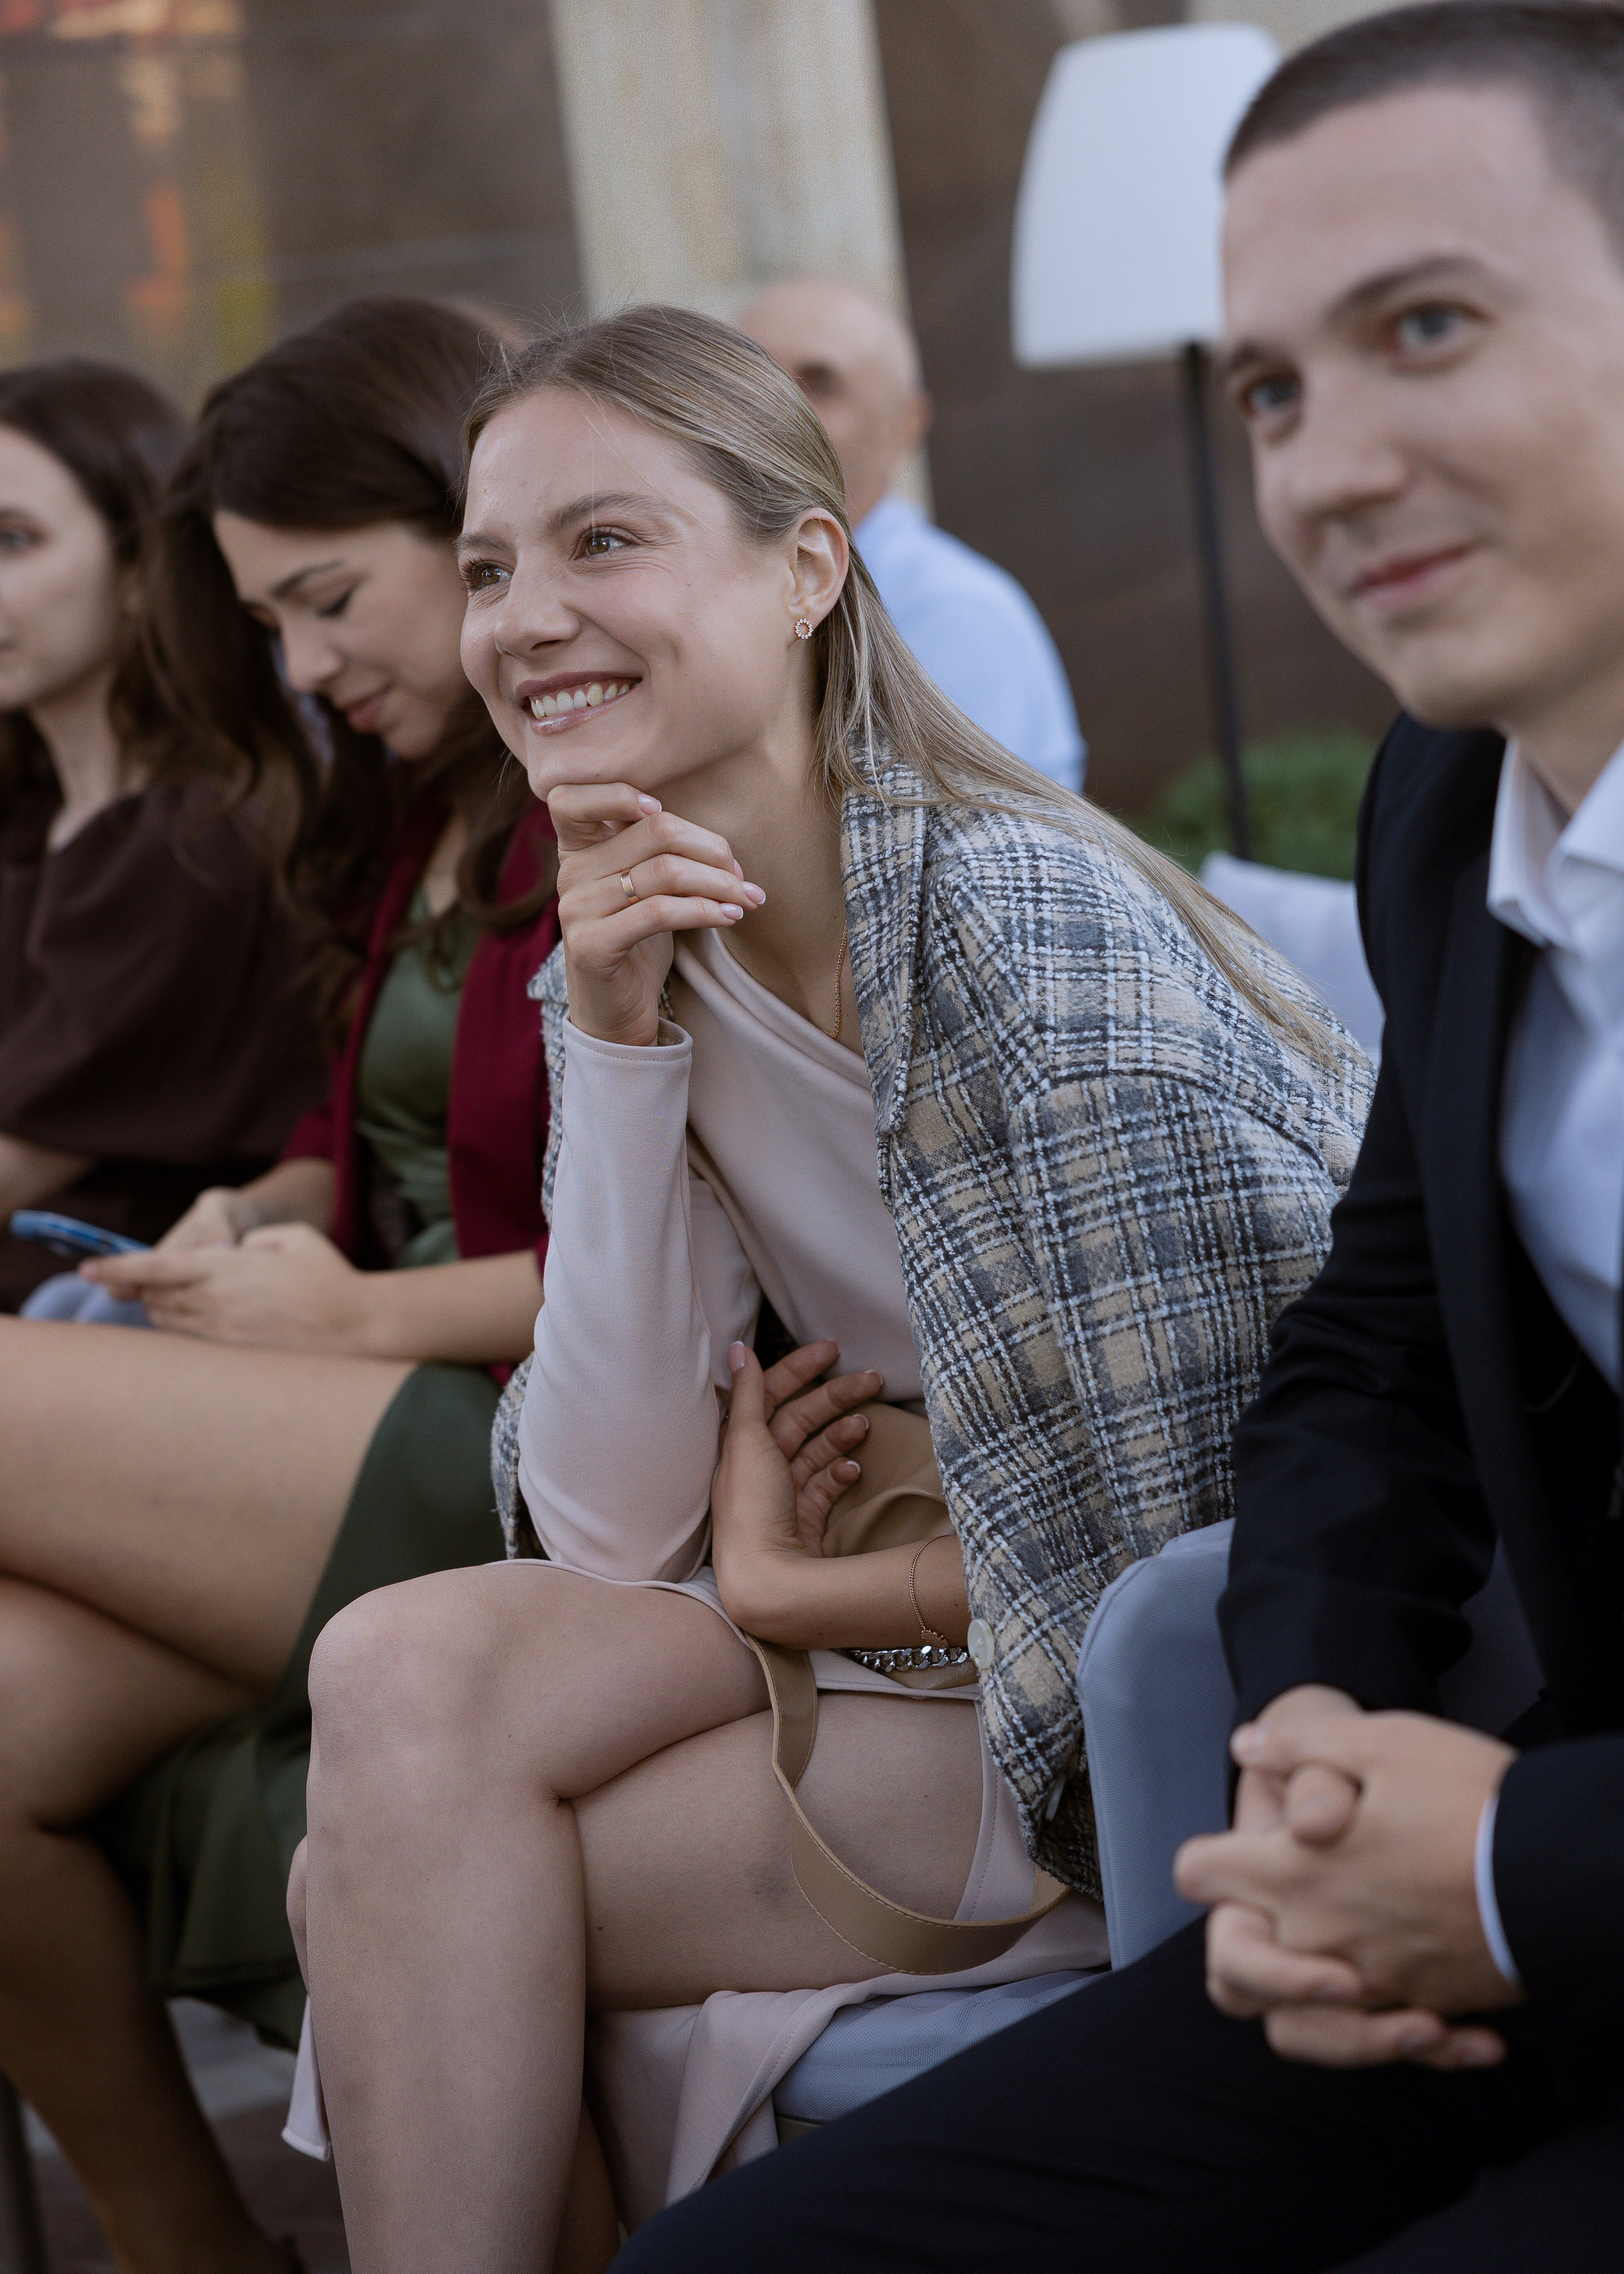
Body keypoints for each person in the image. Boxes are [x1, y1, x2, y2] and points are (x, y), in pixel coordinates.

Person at [613, 6, 1624, 2268]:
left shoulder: (997, 916)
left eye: (1422, 328)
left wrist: (1485, 1864)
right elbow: (1370, 1353)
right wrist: (1307, 1744)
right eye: (1268, 385)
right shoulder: (1447, 793)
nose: (1320, 462)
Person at [289, 301, 1369, 2273]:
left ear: (806, 566)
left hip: (1111, 1672)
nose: (525, 617)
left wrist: (811, 1587)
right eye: (485, 566)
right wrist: (610, 1052)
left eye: (602, 542)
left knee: (412, 1889)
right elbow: (605, 1519)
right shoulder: (647, 935)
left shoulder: (1026, 951)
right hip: (922, 1587)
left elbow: (1231, 1532)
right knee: (393, 1671)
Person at [0, 297, 556, 2274]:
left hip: (546, 1434)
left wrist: (346, 1313)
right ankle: (188, 2249)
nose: (308, 668)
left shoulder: (610, 774)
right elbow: (348, 1138)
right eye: (271, 627)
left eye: (329, 601)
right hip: (379, 1384)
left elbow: (682, 1277)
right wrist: (251, 1212)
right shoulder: (415, 803)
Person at [0, 358, 324, 1310]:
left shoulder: (196, 840)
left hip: (131, 1329)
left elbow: (15, 1166)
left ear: (142, 569)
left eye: (14, 539)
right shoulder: (32, 816)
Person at [738, 277, 1087, 792]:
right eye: (753, 382)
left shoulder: (951, 613)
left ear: (906, 422)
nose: (778, 411)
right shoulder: (731, 590)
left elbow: (935, 852)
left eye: (819, 384)